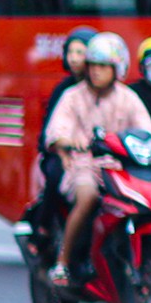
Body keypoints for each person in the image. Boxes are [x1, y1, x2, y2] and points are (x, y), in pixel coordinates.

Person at [43, 33, 151, 289]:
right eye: (93, 65)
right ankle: (63, 261)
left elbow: (147, 132)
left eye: (103, 66)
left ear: (117, 69)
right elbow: (56, 130)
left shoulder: (128, 98)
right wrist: (69, 141)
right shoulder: (72, 96)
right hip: (84, 166)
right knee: (89, 197)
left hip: (120, 170)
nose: (96, 72)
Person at [37, 26, 96, 188]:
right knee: (56, 176)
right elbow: (47, 134)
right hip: (64, 153)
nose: (74, 59)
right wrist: (64, 144)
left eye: (80, 53)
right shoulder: (63, 90)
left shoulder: (106, 90)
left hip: (97, 156)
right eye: (70, 53)